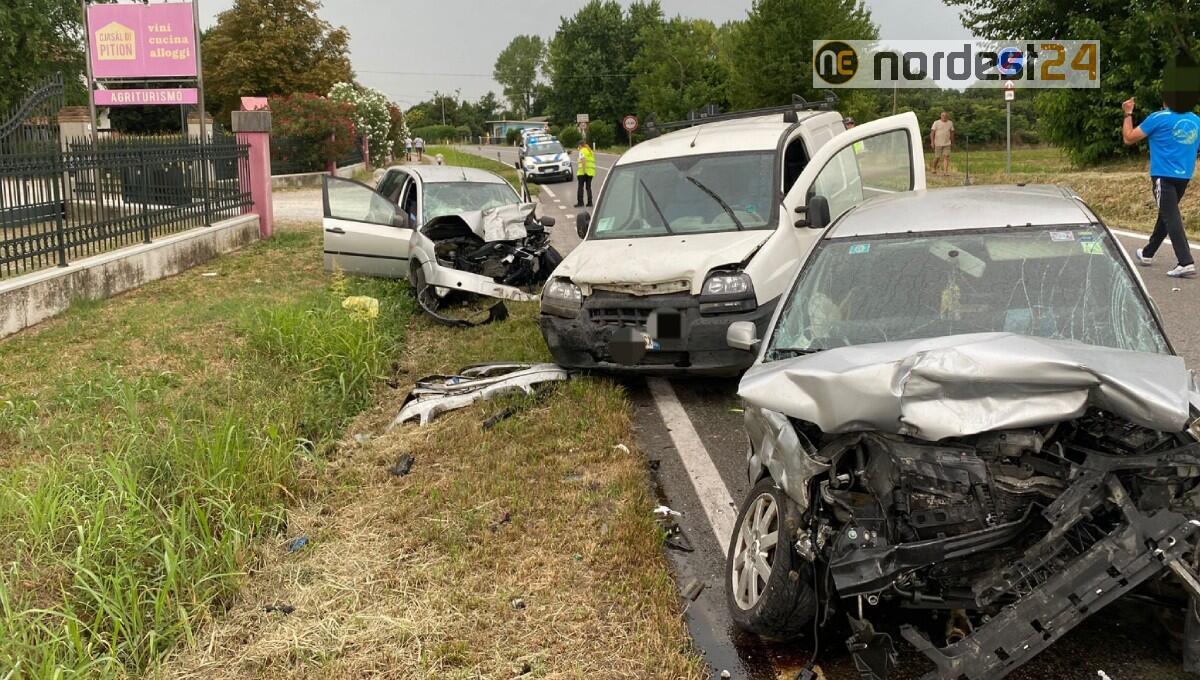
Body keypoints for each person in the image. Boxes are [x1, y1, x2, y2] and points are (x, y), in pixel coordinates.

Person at [1123, 85, 1200, 278]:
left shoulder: (1158, 117)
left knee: (1171, 217)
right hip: (1184, 176)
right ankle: (1148, 253)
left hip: (1162, 176)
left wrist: (1127, 114)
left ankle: (1185, 261)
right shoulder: (1196, 120)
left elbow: (1129, 138)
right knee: (1167, 214)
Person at [575, 140, 596, 208]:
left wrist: (584, 171)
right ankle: (590, 202)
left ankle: (580, 203)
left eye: (578, 146)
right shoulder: (590, 151)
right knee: (588, 187)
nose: (578, 147)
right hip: (590, 172)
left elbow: (583, 160)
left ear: (580, 145)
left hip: (583, 172)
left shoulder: (582, 151)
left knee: (580, 187)